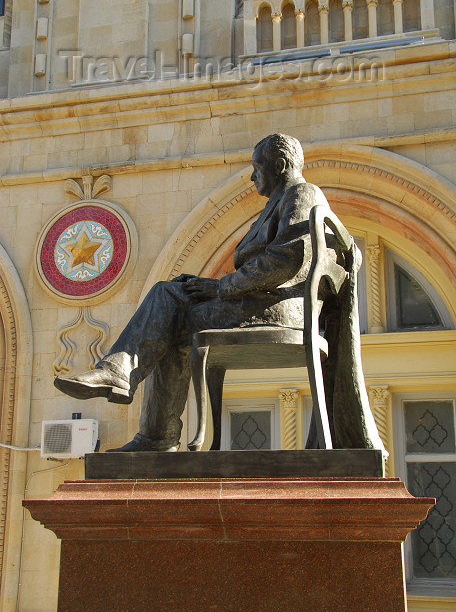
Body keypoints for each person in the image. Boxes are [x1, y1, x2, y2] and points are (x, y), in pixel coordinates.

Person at [55, 133, 385, 455]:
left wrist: (221, 287)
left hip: (281, 309)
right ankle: (123, 379)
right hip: (259, 300)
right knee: (168, 297)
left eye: (257, 167)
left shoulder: (303, 194)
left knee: (170, 315)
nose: (253, 176)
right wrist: (207, 286)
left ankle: (148, 422)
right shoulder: (278, 203)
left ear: (280, 165)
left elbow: (285, 260)